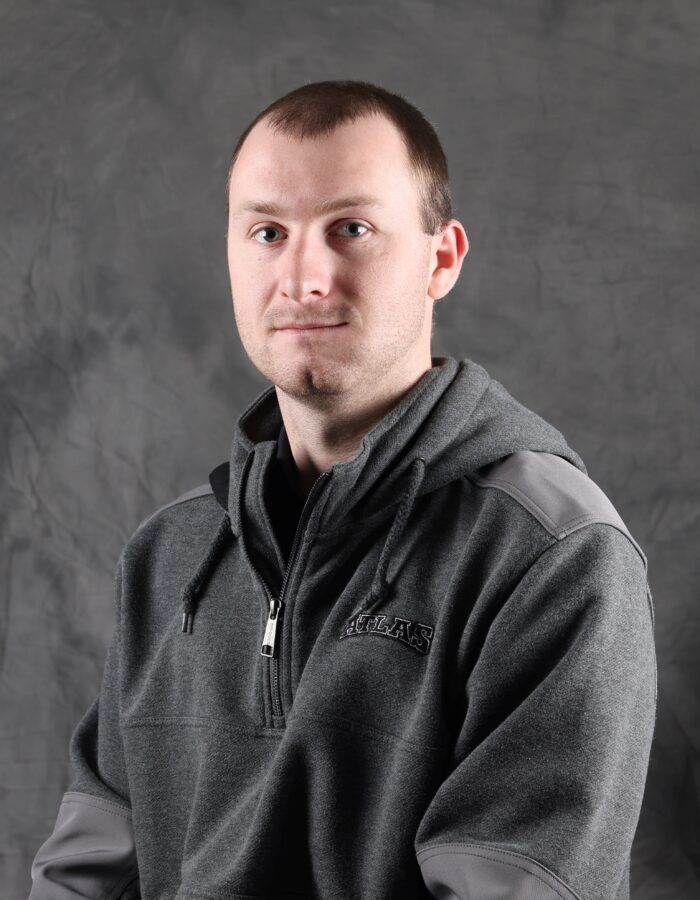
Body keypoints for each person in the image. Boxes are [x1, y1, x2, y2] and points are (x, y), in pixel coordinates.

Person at [29, 80, 657, 900]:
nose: (304, 276)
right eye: (266, 231)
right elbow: (85, 877)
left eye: (351, 229)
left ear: (443, 258)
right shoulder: (170, 555)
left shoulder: (554, 557)